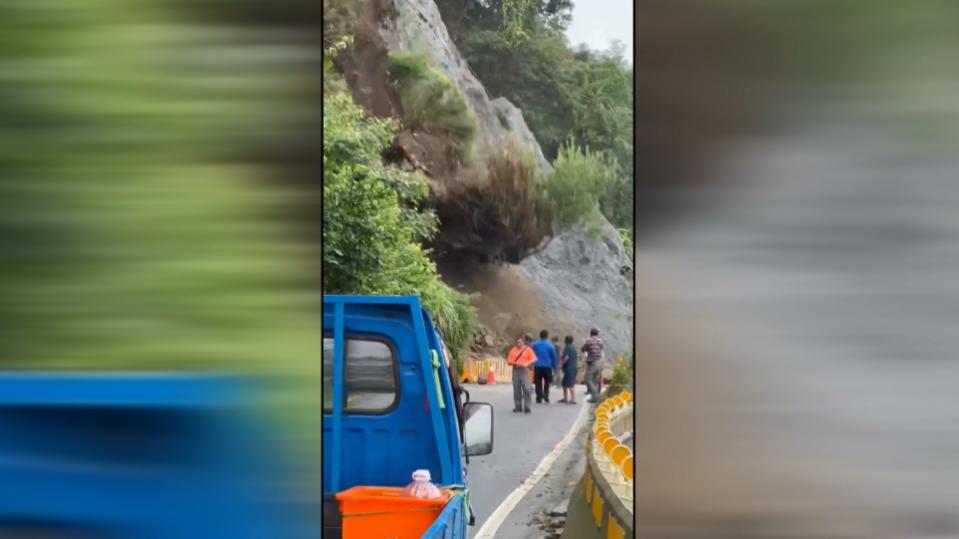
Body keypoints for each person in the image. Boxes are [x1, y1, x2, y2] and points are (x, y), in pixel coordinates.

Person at [507, 334, 536, 413]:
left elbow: (533, 359)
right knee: (516, 389)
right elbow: (509, 361)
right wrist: (515, 363)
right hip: (516, 370)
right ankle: (518, 406)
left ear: (523, 342)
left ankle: (527, 406)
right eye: (517, 342)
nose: (518, 344)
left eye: (520, 342)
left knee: (527, 388)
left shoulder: (528, 350)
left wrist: (529, 365)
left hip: (525, 370)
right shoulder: (513, 350)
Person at [531, 329, 557, 404]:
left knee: (538, 382)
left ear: (540, 335)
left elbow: (531, 354)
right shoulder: (550, 346)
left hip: (537, 365)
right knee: (547, 382)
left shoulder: (535, 344)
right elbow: (554, 357)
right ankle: (546, 395)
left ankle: (539, 397)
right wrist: (554, 367)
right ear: (547, 336)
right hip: (547, 366)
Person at [582, 328, 604, 403]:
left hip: (593, 362)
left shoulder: (589, 341)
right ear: (597, 334)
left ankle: (596, 396)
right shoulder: (600, 341)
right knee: (595, 381)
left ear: (590, 334)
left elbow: (583, 348)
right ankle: (594, 398)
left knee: (588, 379)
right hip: (600, 362)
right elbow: (601, 348)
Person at [558, 335, 578, 404]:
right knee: (564, 384)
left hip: (569, 368)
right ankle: (565, 398)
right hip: (573, 367)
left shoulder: (567, 347)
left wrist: (561, 364)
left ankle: (573, 399)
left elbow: (566, 357)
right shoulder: (573, 348)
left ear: (565, 340)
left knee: (570, 385)